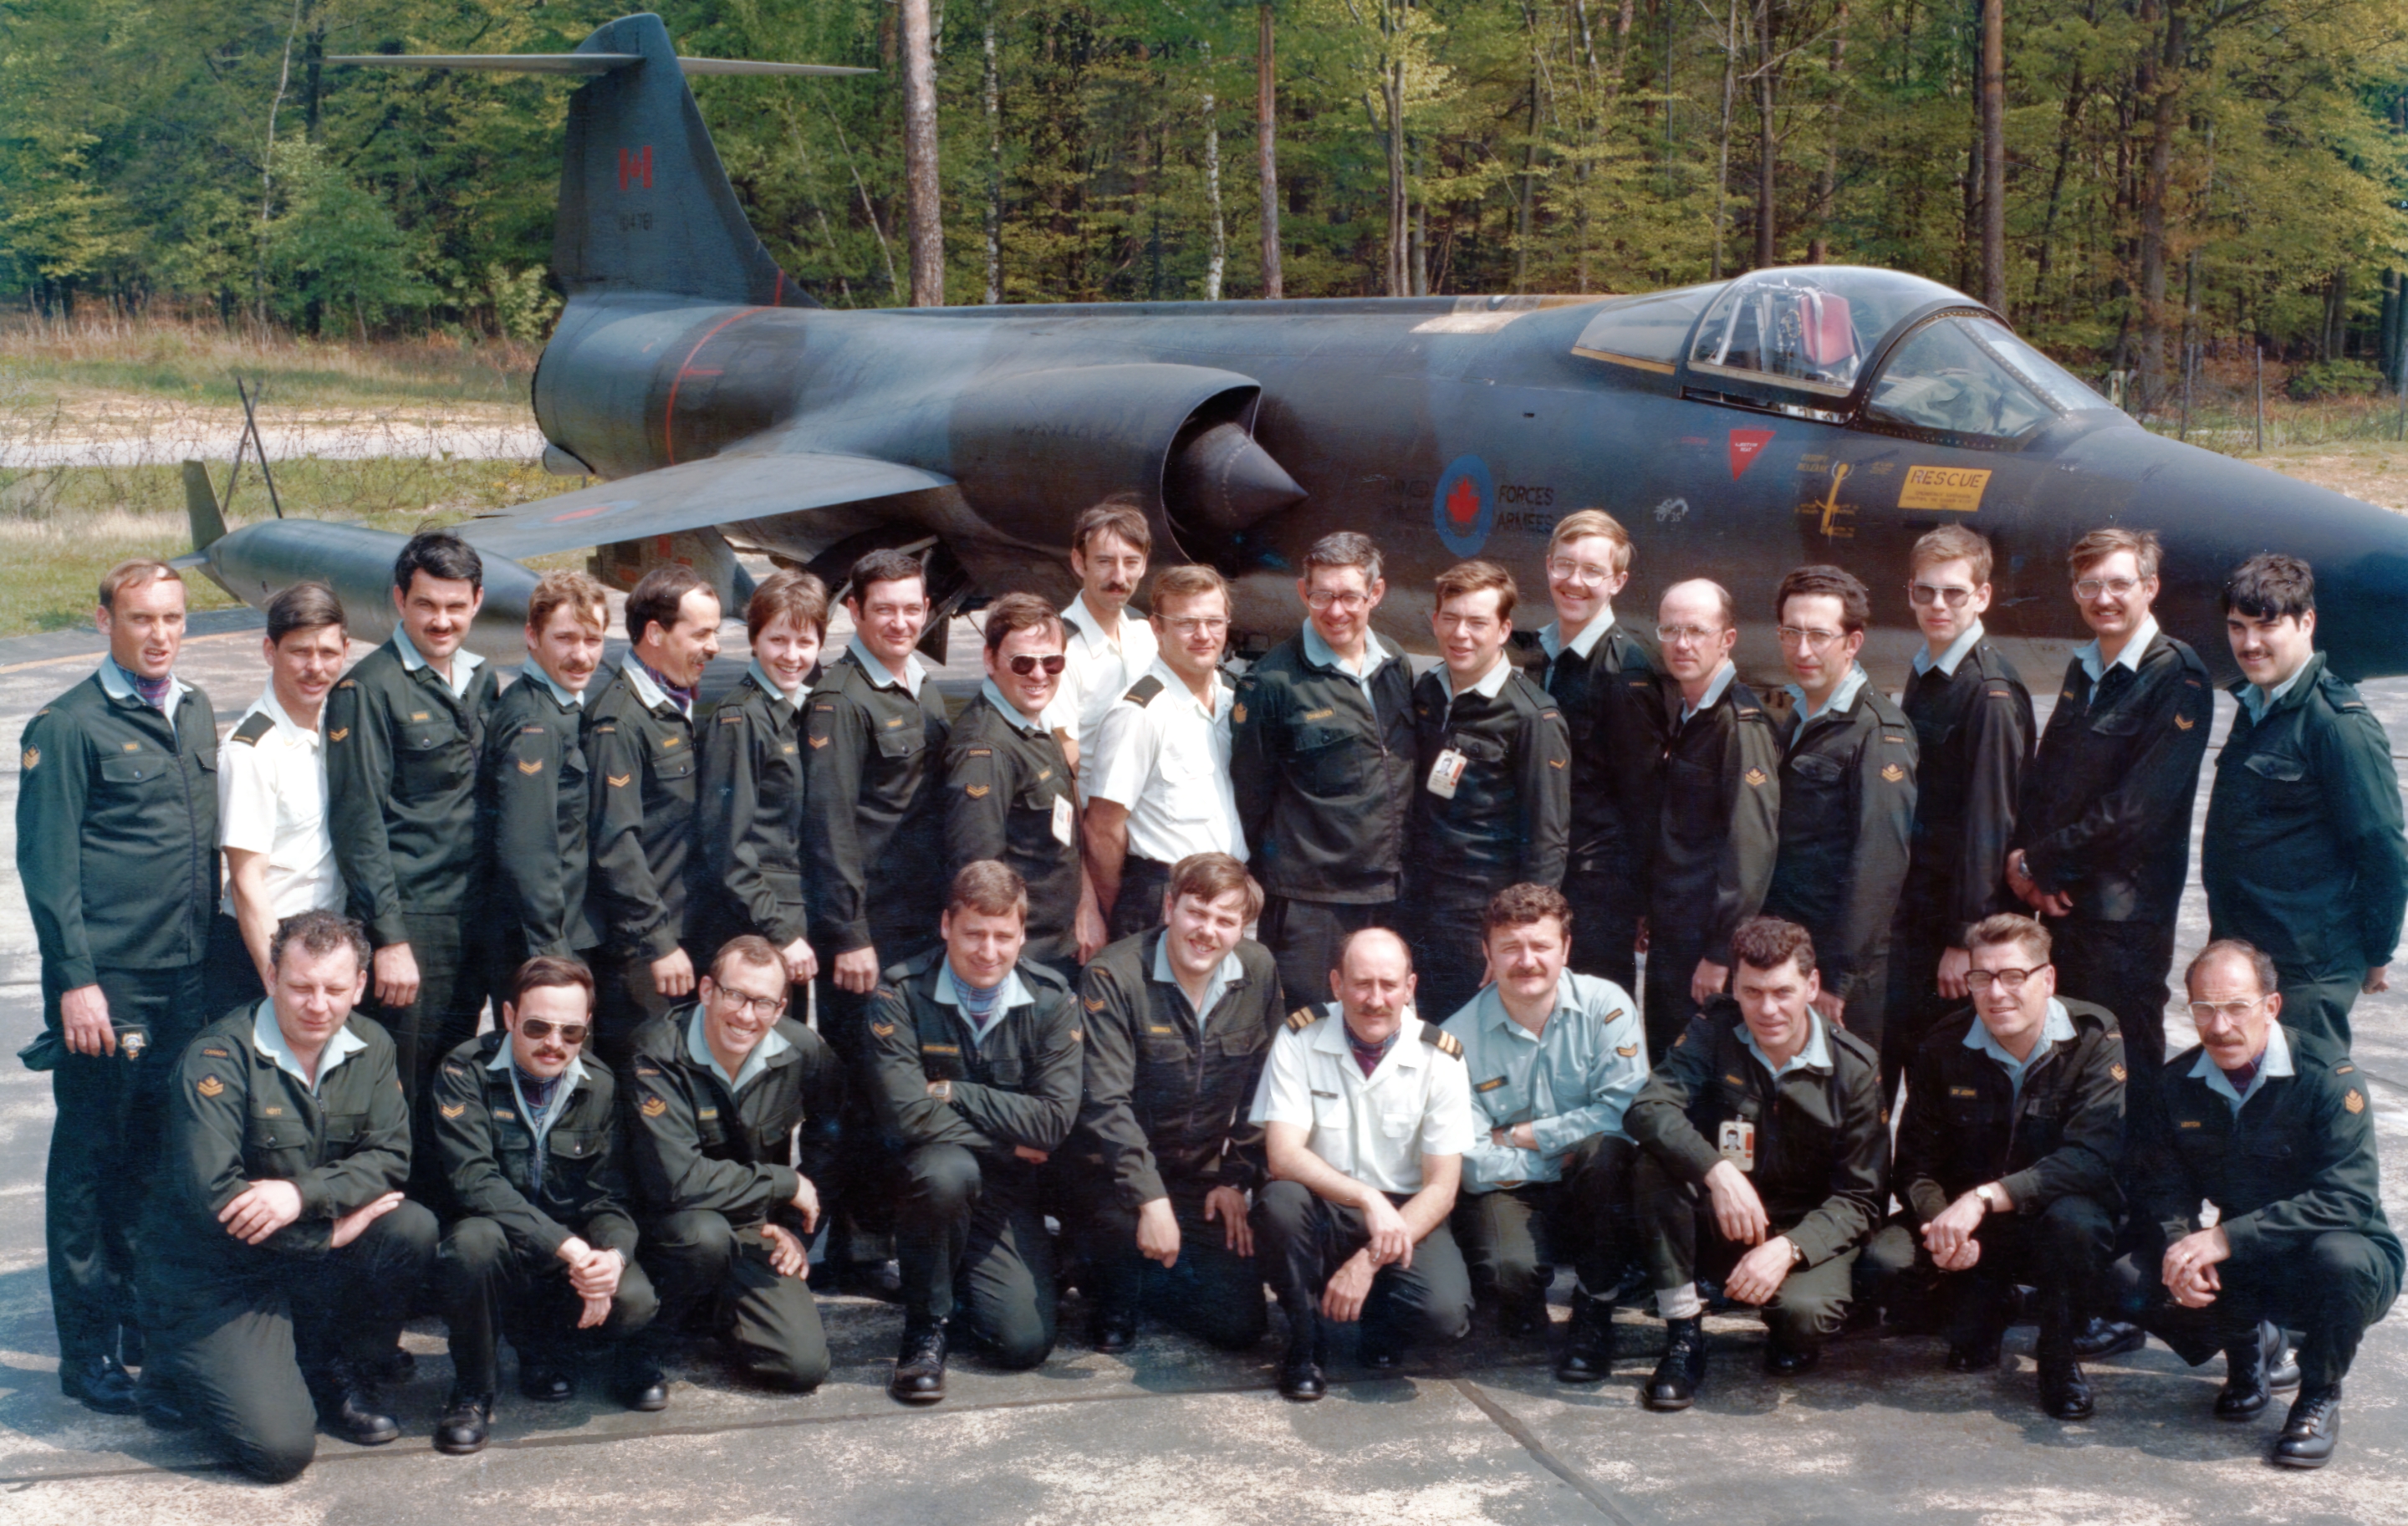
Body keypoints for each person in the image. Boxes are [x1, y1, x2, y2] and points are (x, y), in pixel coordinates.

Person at [17, 558, 220, 1413]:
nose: (159, 634)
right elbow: (47, 865)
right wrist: (75, 982)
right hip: (112, 986)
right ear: (105, 621)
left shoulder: (196, 708)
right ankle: (87, 1350)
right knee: (90, 1167)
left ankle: (140, 1320)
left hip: (186, 981)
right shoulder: (67, 726)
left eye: (172, 617)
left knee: (153, 1162)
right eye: (141, 618)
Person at [137, 910, 436, 1483]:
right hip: (220, 1274)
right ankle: (176, 1363)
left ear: (360, 986)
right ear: (271, 977)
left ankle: (332, 1366)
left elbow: (390, 1157)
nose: (317, 1004)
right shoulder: (217, 1058)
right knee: (279, 1451)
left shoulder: (371, 1044)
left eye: (333, 988)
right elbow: (214, 1198)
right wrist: (326, 1232)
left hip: (298, 1250)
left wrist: (303, 1194)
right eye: (300, 986)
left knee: (409, 1226)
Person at [2110, 940, 2401, 1469]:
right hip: (2247, 1261)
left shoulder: (2327, 1079)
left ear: (2271, 1006)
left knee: (2343, 1261)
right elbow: (2165, 1188)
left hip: (2332, 1253)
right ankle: (2246, 1356)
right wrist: (2181, 1248)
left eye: (2236, 1007)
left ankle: (2318, 1394)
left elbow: (2349, 1198)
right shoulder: (2177, 1085)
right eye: (2204, 1009)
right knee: (2123, 1274)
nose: (2219, 1027)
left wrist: (2223, 1238)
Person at [1857, 913, 2124, 1420]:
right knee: (1882, 1266)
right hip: (1972, 1232)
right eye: (1983, 977)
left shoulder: (2094, 1037)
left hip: (2049, 1217)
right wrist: (1940, 1226)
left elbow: (2092, 1157)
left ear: (2047, 980)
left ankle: (2058, 1354)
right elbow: (1915, 1162)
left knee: (2079, 1226)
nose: (1997, 993)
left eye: (2014, 976)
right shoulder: (1943, 1045)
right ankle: (1987, 1305)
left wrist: (1982, 1198)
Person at [1625, 916, 1885, 1409]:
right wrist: (1716, 1170)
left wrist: (1788, 1249)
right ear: (1735, 988)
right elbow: (1648, 1108)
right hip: (1724, 1213)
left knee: (1802, 1319)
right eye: (1753, 992)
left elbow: (1861, 1196)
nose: (1767, 1009)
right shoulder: (1714, 1031)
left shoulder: (1854, 1067)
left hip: (1799, 1227)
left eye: (1783, 992)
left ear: (1812, 986)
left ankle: (1776, 1303)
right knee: (1654, 1163)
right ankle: (1683, 1333)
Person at [2006, 528, 2212, 1144]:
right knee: (2072, 1072)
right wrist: (2037, 877)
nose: (2104, 597)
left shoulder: (2177, 675)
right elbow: (2051, 778)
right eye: (2090, 584)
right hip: (2066, 908)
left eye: (2120, 583)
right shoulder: (2085, 666)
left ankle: (2146, 1225)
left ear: (2150, 588)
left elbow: (2135, 812)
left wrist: (2038, 861)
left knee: (2129, 1073)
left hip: (2126, 919)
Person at [864, 862, 1084, 1403]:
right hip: (932, 1177)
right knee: (947, 1170)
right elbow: (903, 1114)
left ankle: (957, 1277)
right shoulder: (901, 994)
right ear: (946, 925)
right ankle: (925, 1328)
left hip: (1007, 1191)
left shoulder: (1053, 1000)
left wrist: (953, 1091)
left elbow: (1053, 1121)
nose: (989, 950)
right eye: (974, 933)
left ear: (1021, 935)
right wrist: (1007, 1140)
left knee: (1023, 1343)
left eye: (1003, 935)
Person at [431, 955, 659, 1453]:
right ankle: (473, 1391)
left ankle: (549, 1352)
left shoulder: (598, 1085)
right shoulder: (463, 1071)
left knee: (634, 1298)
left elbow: (609, 1196)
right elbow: (475, 1181)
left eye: (571, 1032)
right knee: (471, 1242)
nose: (554, 1043)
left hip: (563, 1259)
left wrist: (610, 1259)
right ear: (509, 1017)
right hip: (503, 1251)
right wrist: (571, 1248)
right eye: (537, 1026)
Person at [806, 546, 952, 1294]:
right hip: (869, 936)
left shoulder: (920, 686)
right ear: (854, 613)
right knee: (861, 1088)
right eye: (884, 608)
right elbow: (830, 828)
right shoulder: (841, 698)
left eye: (912, 607)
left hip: (920, 930)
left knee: (903, 1081)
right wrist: (848, 935)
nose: (901, 620)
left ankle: (881, 1229)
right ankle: (849, 1248)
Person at [325, 529, 501, 1148]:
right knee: (401, 1089)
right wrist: (390, 939)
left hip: (470, 922)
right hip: (412, 925)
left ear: (477, 601)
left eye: (455, 605)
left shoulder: (482, 683)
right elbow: (359, 822)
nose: (441, 619)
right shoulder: (367, 689)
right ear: (400, 599)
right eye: (426, 604)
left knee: (455, 1086)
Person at [1249, 928, 1477, 1401]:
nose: (1375, 1000)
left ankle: (1379, 1323)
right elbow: (1283, 1155)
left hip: (1402, 1216)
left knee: (1444, 1315)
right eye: (1361, 983)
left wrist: (1368, 1262)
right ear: (1335, 983)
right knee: (1279, 1202)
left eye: (1389, 985)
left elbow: (1441, 1189)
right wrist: (1365, 1197)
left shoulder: (1442, 1057)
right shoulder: (1299, 1036)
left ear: (1410, 987)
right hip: (1325, 1205)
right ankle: (1306, 1343)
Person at [1070, 851, 1283, 1353]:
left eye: (1225, 920)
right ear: (1169, 907)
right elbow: (1106, 1102)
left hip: (1197, 1174)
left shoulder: (1259, 971)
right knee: (1114, 1322)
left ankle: (1149, 1277)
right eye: (1196, 912)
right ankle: (1110, 1283)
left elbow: (1267, 1086)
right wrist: (1151, 1199)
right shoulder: (1113, 975)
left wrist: (1235, 1177)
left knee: (1241, 1326)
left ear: (1241, 930)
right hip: (1114, 1174)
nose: (1207, 931)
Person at [622, 935, 847, 1396]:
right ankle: (646, 1344)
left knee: (800, 1366)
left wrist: (795, 1231)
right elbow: (677, 1181)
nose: (746, 1016)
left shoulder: (803, 1051)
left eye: (763, 1002)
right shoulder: (655, 1053)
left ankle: (718, 1311)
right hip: (666, 1225)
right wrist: (784, 1182)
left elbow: (835, 1133)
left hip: (750, 1225)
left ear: (781, 1008)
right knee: (704, 1236)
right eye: (734, 995)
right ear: (706, 990)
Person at [1441, 884, 1647, 1384]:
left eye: (1541, 946)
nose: (1527, 960)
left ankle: (1593, 1309)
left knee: (1605, 1154)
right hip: (1510, 1189)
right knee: (1508, 1272)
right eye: (1510, 947)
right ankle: (1522, 1297)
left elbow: (1625, 1114)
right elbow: (1470, 1159)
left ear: (1566, 949)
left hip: (1590, 1181)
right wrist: (1559, 1152)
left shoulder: (1607, 1008)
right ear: (1487, 953)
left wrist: (1519, 1135)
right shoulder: (1455, 1039)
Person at [2202, 554, 2408, 1048]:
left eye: (2266, 626)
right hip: (2245, 958)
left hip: (2307, 972)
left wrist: (2376, 950)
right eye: (2237, 627)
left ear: (2307, 622)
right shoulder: (2257, 706)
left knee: (2308, 1107)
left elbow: (2384, 850)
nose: (2249, 644)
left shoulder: (2338, 725)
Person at [1231, 531, 1416, 1003]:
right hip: (1310, 903)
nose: (1336, 611)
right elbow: (1250, 793)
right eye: (1322, 595)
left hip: (1387, 893)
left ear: (1375, 594)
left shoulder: (1394, 663)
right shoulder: (1272, 681)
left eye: (1350, 596)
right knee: (1306, 1031)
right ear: (1302, 592)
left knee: (1378, 1025)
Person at [1885, 525, 2033, 1105]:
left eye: (1953, 592)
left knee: (1937, 1084)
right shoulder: (1929, 670)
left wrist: (1963, 939)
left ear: (1983, 596)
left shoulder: (1988, 691)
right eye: (1926, 592)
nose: (1938, 605)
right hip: (1913, 917)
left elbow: (1988, 824)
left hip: (1946, 930)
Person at [1760, 566, 1916, 1064]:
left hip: (1836, 972)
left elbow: (1879, 864)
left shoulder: (1878, 732)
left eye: (1819, 636)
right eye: (1791, 633)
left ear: (1853, 642)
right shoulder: (1802, 718)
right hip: (1794, 957)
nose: (1802, 651)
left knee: (1841, 1115)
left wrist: (1838, 978)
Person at [1405, 560, 1571, 1023]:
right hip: (1417, 906)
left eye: (1478, 622)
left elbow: (1547, 840)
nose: (1461, 634)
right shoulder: (1427, 692)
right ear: (1435, 621)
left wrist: (1514, 940)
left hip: (1478, 920)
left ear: (1503, 630)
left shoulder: (1532, 717)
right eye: (1451, 618)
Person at [584, 564, 722, 1070]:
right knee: (646, 1090)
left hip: (683, 939)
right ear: (655, 634)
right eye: (702, 633)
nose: (714, 647)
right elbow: (615, 846)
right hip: (644, 955)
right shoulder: (619, 721)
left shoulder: (674, 702)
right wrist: (658, 943)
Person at [1645, 579, 1780, 1056]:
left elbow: (1750, 850)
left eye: (1698, 631)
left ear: (1727, 639)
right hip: (1674, 936)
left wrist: (1721, 954)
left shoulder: (1739, 726)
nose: (1682, 644)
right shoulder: (1689, 713)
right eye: (1671, 630)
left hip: (1703, 950)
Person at [1535, 510, 1662, 992]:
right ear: (1548, 565)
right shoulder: (1550, 653)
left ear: (1618, 582)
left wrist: (1639, 901)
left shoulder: (1624, 669)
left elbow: (1643, 797)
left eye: (1592, 571)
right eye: (1564, 565)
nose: (1574, 582)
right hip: (1559, 875)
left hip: (1599, 888)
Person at [1086, 563, 1247, 941]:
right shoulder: (1139, 712)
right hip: (1163, 902)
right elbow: (1102, 830)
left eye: (1214, 622)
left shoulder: (1232, 705)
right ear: (1157, 628)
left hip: (1231, 899)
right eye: (1186, 623)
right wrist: (1122, 911)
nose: (1203, 635)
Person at [208, 581, 349, 1014]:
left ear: (346, 651)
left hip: (331, 940)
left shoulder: (338, 725)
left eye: (328, 653)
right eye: (299, 652)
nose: (315, 667)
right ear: (270, 651)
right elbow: (248, 883)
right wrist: (279, 979)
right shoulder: (250, 749)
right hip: (270, 946)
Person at [946, 592, 1097, 981]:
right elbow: (978, 873)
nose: (1039, 674)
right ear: (989, 658)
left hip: (1055, 946)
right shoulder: (986, 748)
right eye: (1022, 662)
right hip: (1022, 961)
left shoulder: (1029, 723)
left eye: (1052, 661)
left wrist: (1083, 905)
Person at [694, 569, 829, 988]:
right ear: (754, 639)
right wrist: (782, 933)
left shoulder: (796, 712)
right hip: (755, 928)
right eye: (778, 640)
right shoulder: (742, 719)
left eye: (805, 642)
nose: (792, 655)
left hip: (786, 917)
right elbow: (726, 846)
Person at [481, 570, 608, 986]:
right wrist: (552, 954)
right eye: (566, 638)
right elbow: (528, 849)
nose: (582, 656)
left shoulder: (562, 708)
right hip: (546, 945)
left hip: (566, 929)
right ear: (532, 637)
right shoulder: (535, 723)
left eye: (593, 640)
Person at [1043, 495, 1159, 783]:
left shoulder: (1144, 631)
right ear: (1079, 563)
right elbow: (1066, 755)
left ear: (1144, 565)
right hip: (1096, 809)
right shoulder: (1058, 648)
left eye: (1131, 562)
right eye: (1105, 561)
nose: (1119, 576)